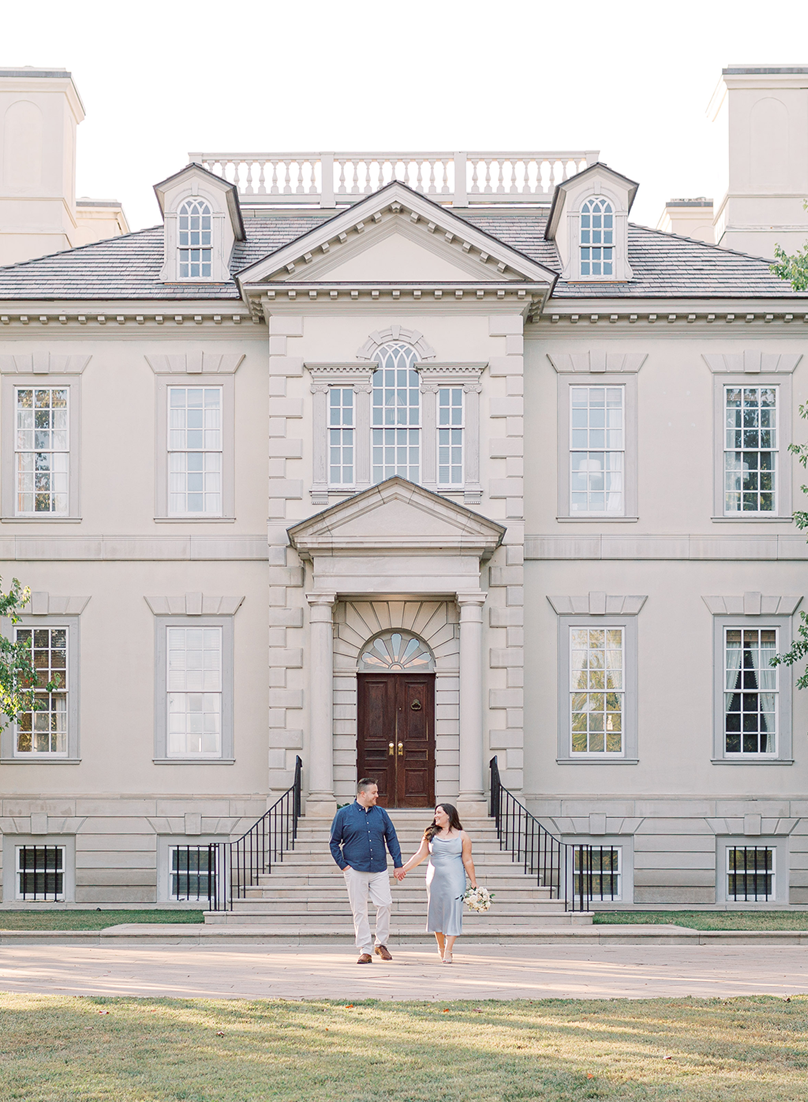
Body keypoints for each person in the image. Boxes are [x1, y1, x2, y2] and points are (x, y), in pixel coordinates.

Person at [329, 778, 403, 964]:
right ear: (362, 794)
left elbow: (392, 838)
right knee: (359, 910)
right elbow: (334, 843)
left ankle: (381, 943)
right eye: (374, 792)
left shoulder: (381, 814)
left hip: (378, 868)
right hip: (355, 868)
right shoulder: (344, 814)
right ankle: (365, 949)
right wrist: (344, 866)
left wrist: (398, 863)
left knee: (385, 904)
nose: (377, 795)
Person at [395, 802, 477, 964]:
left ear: (448, 815)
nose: (436, 816)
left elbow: (467, 860)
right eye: (435, 813)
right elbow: (420, 855)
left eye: (439, 812)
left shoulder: (462, 836)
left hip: (456, 878)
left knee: (453, 911)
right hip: (434, 878)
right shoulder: (430, 834)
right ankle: (440, 947)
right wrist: (403, 869)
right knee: (437, 912)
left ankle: (449, 949)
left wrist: (473, 881)